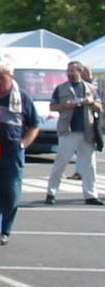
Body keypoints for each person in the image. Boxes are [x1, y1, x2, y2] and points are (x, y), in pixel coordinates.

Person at [0, 61, 40, 246]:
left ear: (11, 77)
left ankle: (5, 230)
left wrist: (24, 144)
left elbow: (35, 125)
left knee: (11, 192)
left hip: (13, 152)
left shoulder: (23, 98)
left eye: (1, 78)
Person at [44, 61, 103, 205]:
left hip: (87, 130)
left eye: (72, 71)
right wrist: (65, 105)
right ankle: (51, 193)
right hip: (68, 130)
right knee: (61, 162)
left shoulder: (91, 88)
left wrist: (91, 102)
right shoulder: (61, 88)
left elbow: (100, 107)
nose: (69, 74)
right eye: (68, 71)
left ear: (80, 72)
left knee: (90, 164)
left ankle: (91, 195)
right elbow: (52, 107)